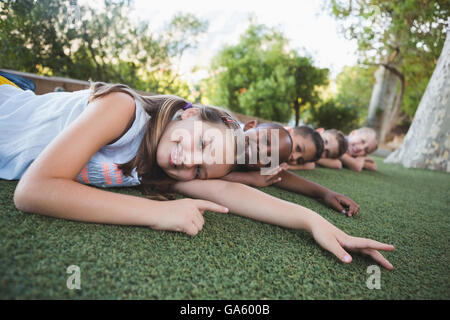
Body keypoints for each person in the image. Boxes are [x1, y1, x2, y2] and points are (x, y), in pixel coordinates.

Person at [0, 80, 394, 269]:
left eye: (199, 170)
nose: (187, 162)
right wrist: (160, 213)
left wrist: (315, 221)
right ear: (191, 112)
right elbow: (34, 191)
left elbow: (231, 194)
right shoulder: (124, 110)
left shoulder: (162, 164)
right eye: (203, 144)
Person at [222, 121, 360, 216]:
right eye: (298, 148)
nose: (293, 157)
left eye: (299, 160)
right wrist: (250, 179)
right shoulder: (226, 133)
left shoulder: (263, 160)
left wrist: (326, 193)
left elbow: (279, 175)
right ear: (289, 130)